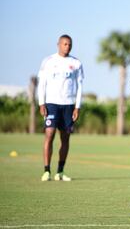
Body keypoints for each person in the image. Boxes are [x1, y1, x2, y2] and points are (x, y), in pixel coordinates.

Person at [37, 34, 84, 182]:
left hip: (68, 105)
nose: (67, 46)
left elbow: (80, 86)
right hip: (51, 103)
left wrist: (77, 107)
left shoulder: (76, 63)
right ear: (58, 44)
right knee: (49, 134)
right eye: (64, 44)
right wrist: (41, 103)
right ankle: (46, 170)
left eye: (69, 44)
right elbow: (42, 84)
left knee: (65, 138)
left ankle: (60, 172)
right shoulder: (48, 61)